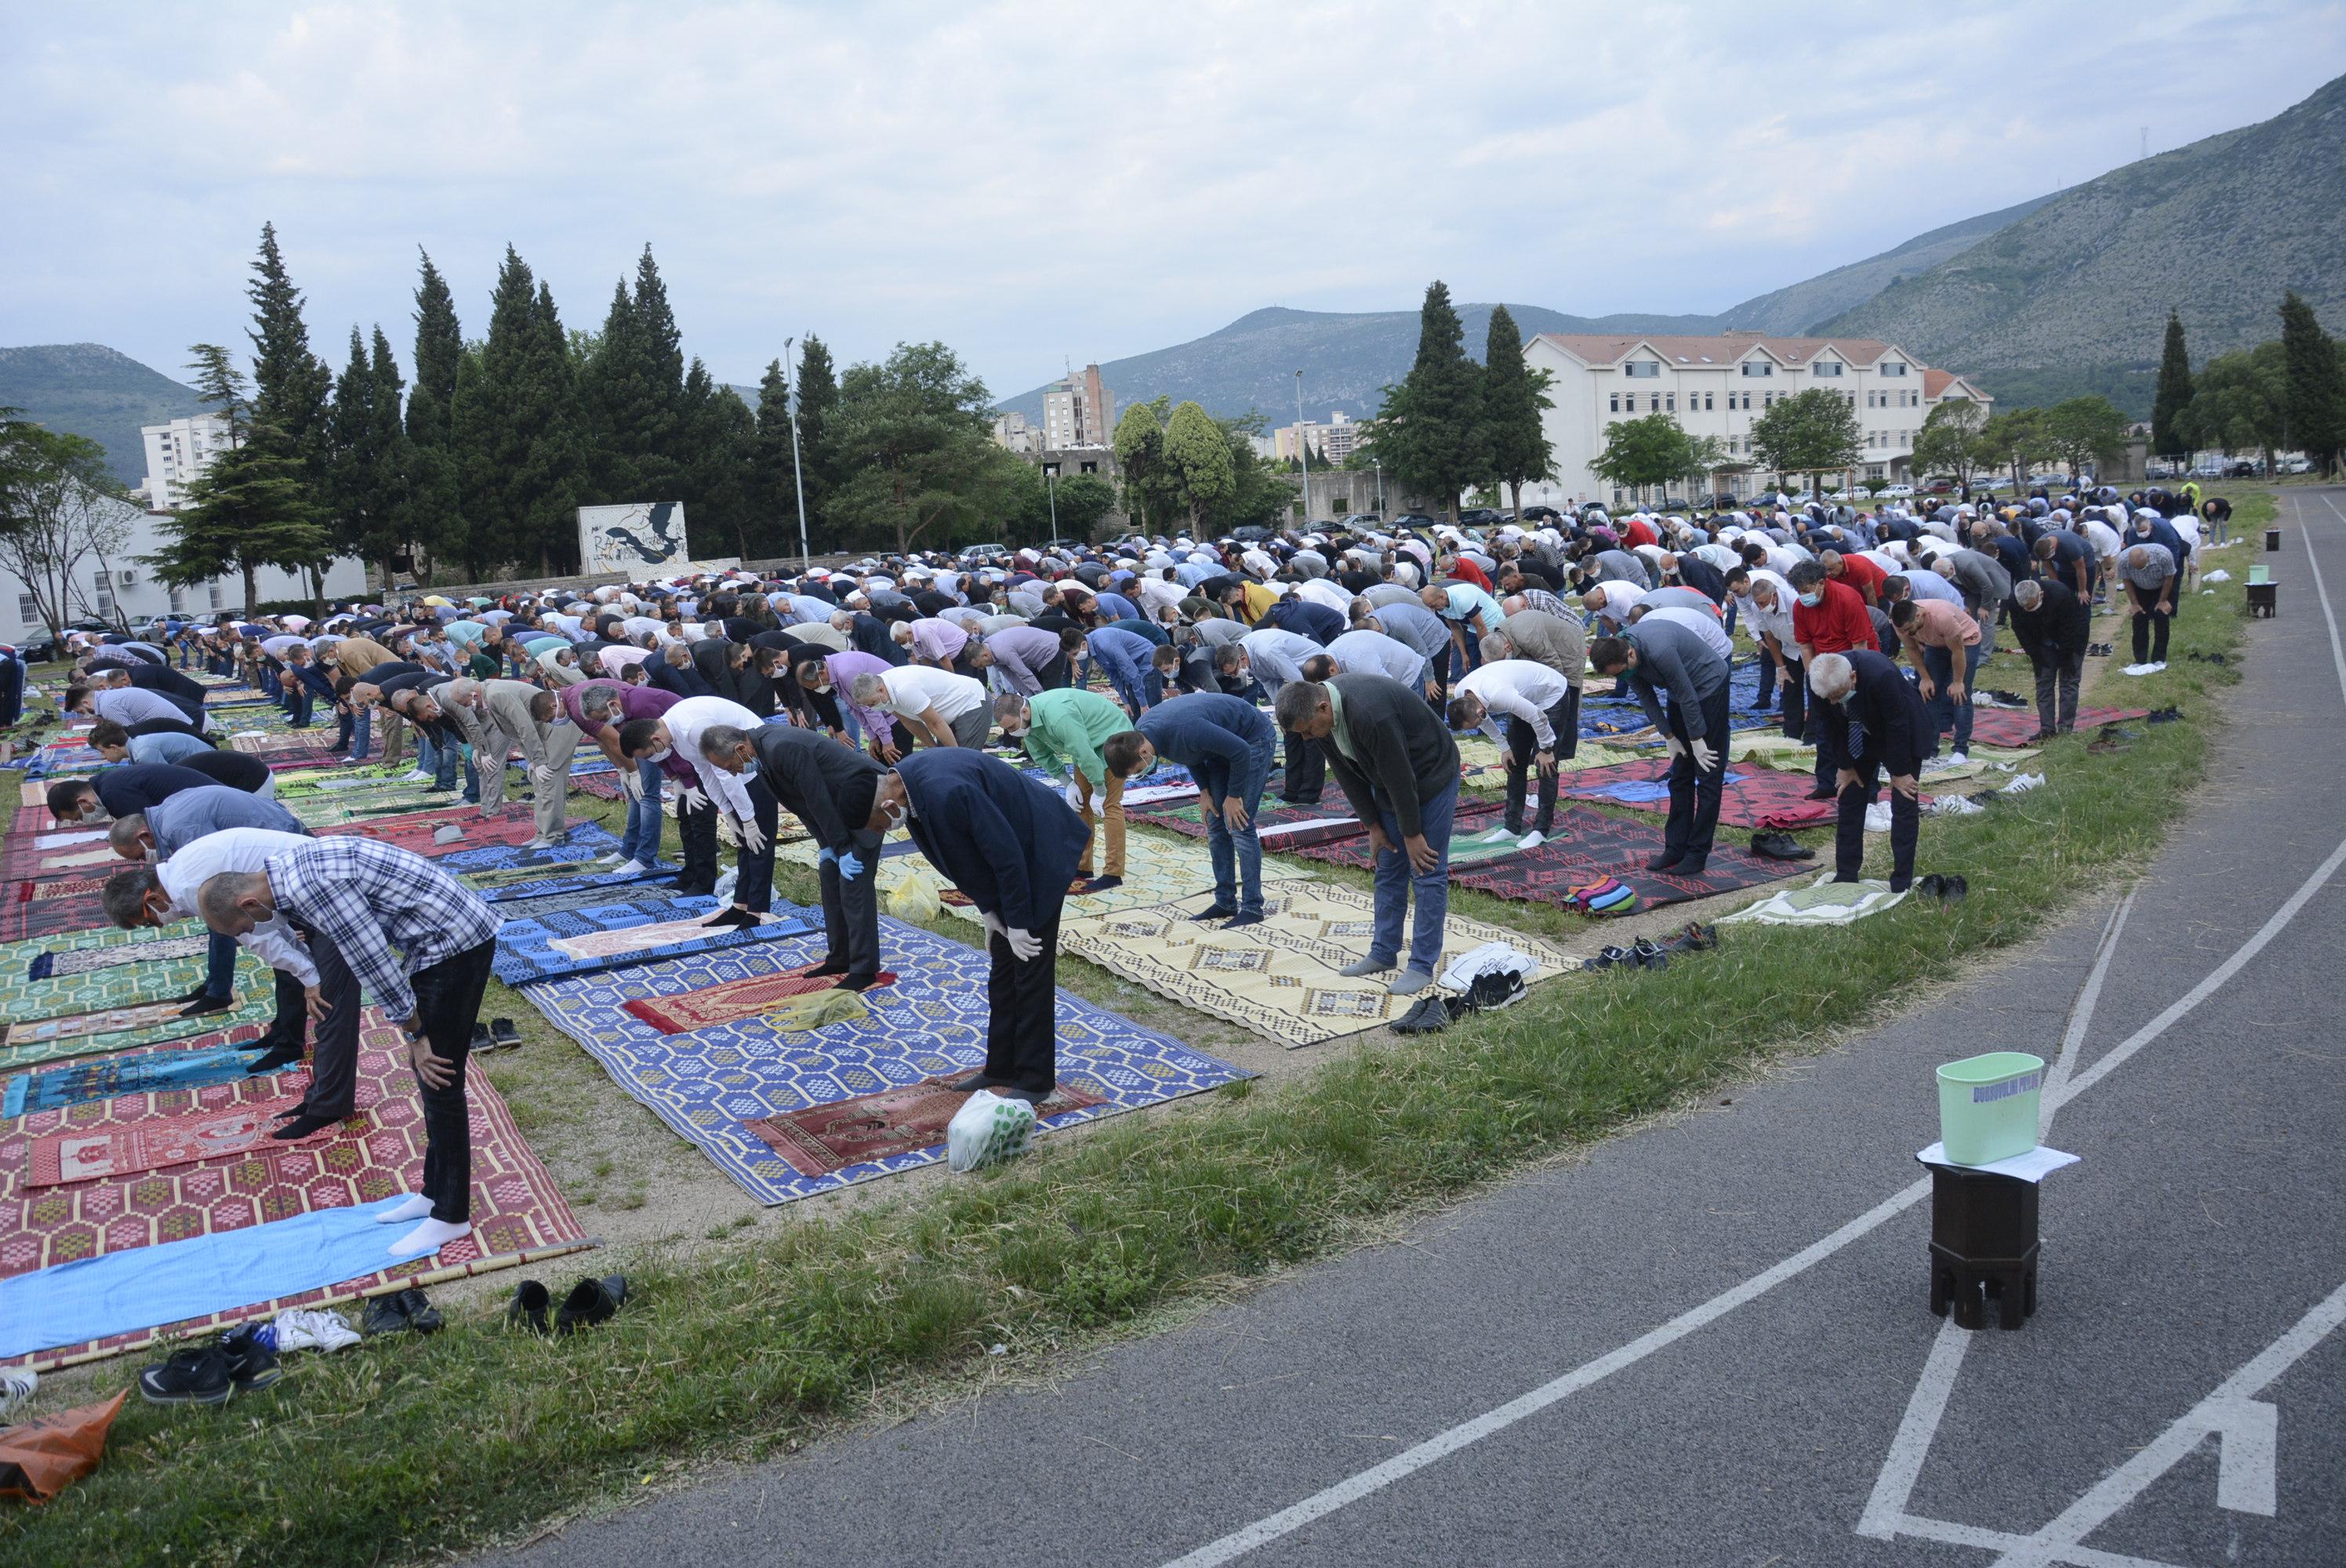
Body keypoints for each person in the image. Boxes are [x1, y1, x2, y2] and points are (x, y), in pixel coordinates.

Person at [197, 837, 500, 1261]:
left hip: (452, 942)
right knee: (430, 1077)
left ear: (249, 904)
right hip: (437, 932)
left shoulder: (312, 889)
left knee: (439, 1076)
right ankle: (435, 1194)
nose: (253, 933)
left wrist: (415, 1034)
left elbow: (372, 960)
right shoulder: (282, 872)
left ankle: (452, 1214)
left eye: (246, 928)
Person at [870, 749, 1088, 1104]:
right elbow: (963, 858)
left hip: (1039, 847)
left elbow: (1007, 855)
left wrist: (1018, 923)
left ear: (889, 808)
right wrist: (989, 911)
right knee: (1003, 965)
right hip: (1013, 855)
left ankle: (1035, 1080)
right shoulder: (905, 786)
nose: (888, 832)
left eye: (882, 827)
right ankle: (1001, 1066)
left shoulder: (945, 791)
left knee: (1030, 965)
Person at [1276, 674, 1457, 995]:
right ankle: (1383, 952)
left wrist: (1412, 834)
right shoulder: (1323, 719)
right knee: (1388, 865)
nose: (1306, 738)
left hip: (1430, 772)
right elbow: (1347, 774)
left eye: (1307, 730)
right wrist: (1373, 826)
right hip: (1388, 779)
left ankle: (1421, 965)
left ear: (1322, 707)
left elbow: (1402, 777)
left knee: (1426, 868)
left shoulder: (1371, 713)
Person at [101, 826, 332, 1060]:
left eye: (150, 922)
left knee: (315, 980)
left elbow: (259, 936)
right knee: (291, 967)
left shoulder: (188, 889)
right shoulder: (176, 873)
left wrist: (309, 976)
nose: (160, 926)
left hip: (319, 877)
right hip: (299, 872)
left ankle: (296, 1046)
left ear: (152, 898)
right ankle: (283, 1035)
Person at [697, 723, 888, 990]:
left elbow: (816, 798)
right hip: (838, 807)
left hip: (870, 799)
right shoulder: (762, 752)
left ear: (740, 749)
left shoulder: (781, 747)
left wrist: (842, 849)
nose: (733, 772)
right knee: (829, 876)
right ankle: (841, 957)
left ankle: (864, 969)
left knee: (854, 882)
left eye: (730, 766)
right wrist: (826, 845)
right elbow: (802, 804)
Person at [1109, 692, 1278, 927]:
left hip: (1252, 740)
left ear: (1143, 754)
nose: (1139, 773)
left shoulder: (1185, 729)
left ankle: (1252, 906)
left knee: (1239, 825)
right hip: (1220, 748)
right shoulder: (1145, 734)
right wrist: (1205, 791)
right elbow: (1191, 754)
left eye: (1136, 769)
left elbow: (1240, 751)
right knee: (1216, 824)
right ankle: (1225, 901)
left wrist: (1234, 795)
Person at [617, 694, 775, 920]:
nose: (655, 760)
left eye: (651, 755)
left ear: (655, 739)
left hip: (753, 757)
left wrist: (748, 819)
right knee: (744, 840)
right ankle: (740, 905)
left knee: (759, 838)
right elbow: (706, 773)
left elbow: (725, 774)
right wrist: (728, 813)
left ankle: (758, 911)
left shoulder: (692, 729)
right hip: (734, 763)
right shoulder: (674, 734)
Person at [1590, 618, 1729, 875]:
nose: (1623, 677)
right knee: (1680, 775)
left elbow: (1688, 693)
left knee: (1707, 772)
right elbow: (1646, 696)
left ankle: (1697, 853)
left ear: (1630, 654)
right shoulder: (1622, 653)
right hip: (1679, 692)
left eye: (1621, 672)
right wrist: (1669, 735)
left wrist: (1697, 739)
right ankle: (1675, 848)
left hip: (1708, 685)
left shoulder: (1660, 650)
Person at [1807, 651, 1934, 894]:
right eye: (1828, 698)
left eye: (1837, 696)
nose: (1832, 702)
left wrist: (1900, 772)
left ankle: (1901, 881)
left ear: (1853, 677)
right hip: (1855, 734)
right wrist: (1844, 766)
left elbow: (1898, 724)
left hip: (1899, 731)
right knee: (1849, 796)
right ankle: (1846, 873)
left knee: (1904, 801)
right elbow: (1826, 724)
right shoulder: (1817, 680)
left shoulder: (1880, 674)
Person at [995, 688, 1137, 891]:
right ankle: (1083, 867)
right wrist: (1067, 783)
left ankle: (1113, 873)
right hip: (1088, 745)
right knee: (1079, 805)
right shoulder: (1029, 724)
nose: (1011, 733)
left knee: (1109, 805)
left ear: (1024, 712)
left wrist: (1099, 789)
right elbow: (1043, 756)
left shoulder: (1058, 716)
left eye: (1011, 727)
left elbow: (1083, 752)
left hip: (1116, 740)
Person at [1448, 658, 1578, 847]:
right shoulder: (1462, 693)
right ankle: (1512, 827)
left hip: (1550, 693)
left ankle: (1541, 829)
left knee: (1546, 765)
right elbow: (1484, 721)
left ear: (1479, 711)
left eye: (1476, 722)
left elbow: (1537, 716)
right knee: (1514, 761)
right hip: (1524, 698)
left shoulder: (1500, 695)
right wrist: (1504, 748)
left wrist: (1546, 749)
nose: (1479, 725)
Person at [568, 681, 678, 875]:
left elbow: (658, 743)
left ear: (611, 705)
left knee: (647, 795)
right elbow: (604, 740)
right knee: (635, 794)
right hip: (645, 741)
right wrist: (623, 770)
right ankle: (629, 849)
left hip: (659, 743)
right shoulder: (613, 710)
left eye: (603, 718)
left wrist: (675, 776)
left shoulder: (641, 706)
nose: (605, 724)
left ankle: (644, 858)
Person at [1787, 560, 1874, 800]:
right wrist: (1813, 677)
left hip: (1850, 667)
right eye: (1799, 591)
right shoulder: (1800, 606)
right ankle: (1827, 782)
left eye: (1806, 590)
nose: (1802, 596)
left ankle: (1863, 781)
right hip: (1820, 667)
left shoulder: (1848, 599)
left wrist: (1854, 683)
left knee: (1857, 725)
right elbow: (1805, 646)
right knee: (1824, 726)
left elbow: (1860, 646)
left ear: (1821, 584)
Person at [477, 677, 577, 848]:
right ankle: (543, 833)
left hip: (557, 724)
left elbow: (524, 727)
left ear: (472, 696)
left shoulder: (496, 695)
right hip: (545, 727)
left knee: (548, 781)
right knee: (540, 782)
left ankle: (552, 836)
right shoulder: (490, 694)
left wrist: (539, 761)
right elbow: (516, 731)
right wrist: (532, 760)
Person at [45, 753, 273, 823]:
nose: (81, 821)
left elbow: (150, 831)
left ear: (83, 803)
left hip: (235, 800)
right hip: (222, 796)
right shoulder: (106, 782)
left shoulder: (113, 793)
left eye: (77, 817)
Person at [1889, 596, 1984, 763]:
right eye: (1902, 631)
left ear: (1919, 616)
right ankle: (1930, 749)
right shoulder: (1900, 622)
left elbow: (1958, 651)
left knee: (1960, 695)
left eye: (1909, 629)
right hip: (1935, 644)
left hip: (1966, 642)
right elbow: (1911, 649)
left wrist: (1957, 681)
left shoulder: (1942, 617)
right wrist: (1925, 678)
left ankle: (1961, 749)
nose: (1905, 634)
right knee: (1929, 693)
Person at [2007, 577, 2090, 739]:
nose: (2029, 610)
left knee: (2069, 682)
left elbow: (2072, 629)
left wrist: (2067, 658)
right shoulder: (2014, 601)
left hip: (2072, 639)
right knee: (2044, 682)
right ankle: (2047, 729)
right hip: (2042, 642)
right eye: (2026, 608)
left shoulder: (2061, 594)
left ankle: (2065, 729)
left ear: (2041, 595)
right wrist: (2035, 655)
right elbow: (2020, 630)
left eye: (2032, 606)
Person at [850, 665, 991, 758]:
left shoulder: (904, 689)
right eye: (868, 705)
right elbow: (910, 722)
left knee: (965, 760)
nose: (873, 708)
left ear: (881, 690)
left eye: (872, 703)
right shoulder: (884, 692)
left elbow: (935, 723)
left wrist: (954, 756)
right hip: (946, 715)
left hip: (971, 703)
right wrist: (933, 748)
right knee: (944, 760)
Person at [2119, 543, 2177, 670]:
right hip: (2139, 587)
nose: (2140, 570)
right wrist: (2134, 603)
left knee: (2161, 616)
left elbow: (2169, 577)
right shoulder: (2123, 561)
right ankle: (2140, 659)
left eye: (2142, 567)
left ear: (2148, 558)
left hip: (2161, 586)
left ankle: (2159, 658)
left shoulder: (2163, 555)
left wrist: (2162, 600)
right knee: (2139, 618)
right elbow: (2127, 581)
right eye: (2136, 568)